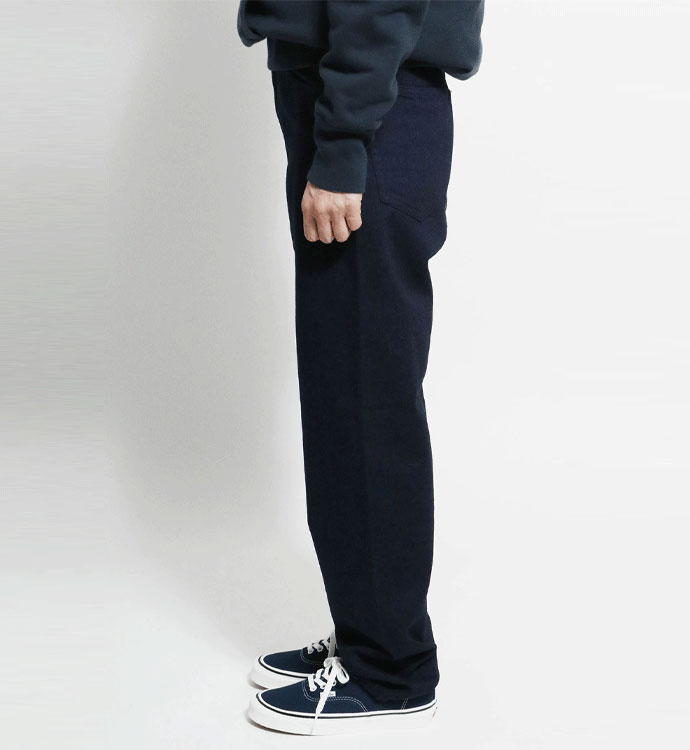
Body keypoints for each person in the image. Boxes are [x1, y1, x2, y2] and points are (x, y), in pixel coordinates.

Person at [237, 0, 484, 736]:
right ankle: (366, 630)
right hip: (351, 90)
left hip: (371, 104)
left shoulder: (359, 114)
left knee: (367, 396)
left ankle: (390, 671)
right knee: (346, 384)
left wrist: (344, 140)